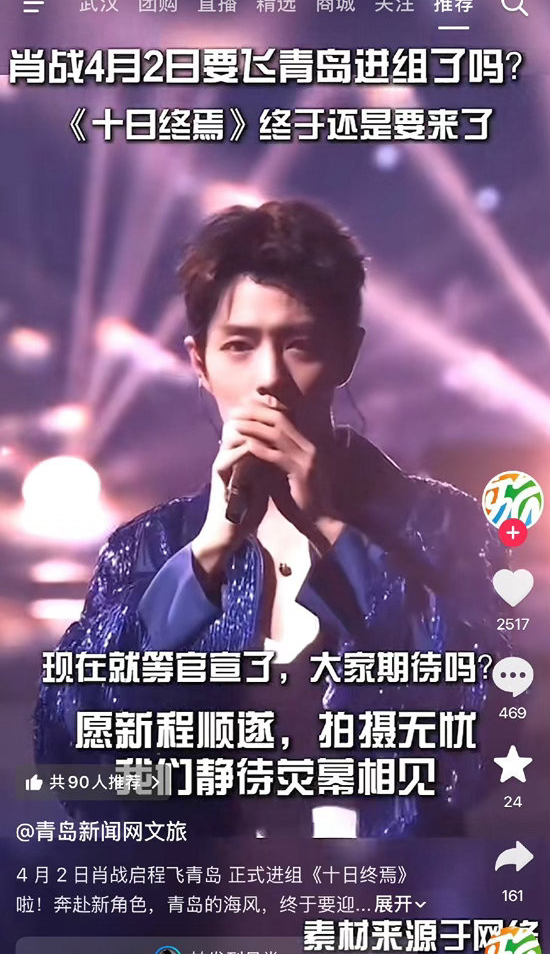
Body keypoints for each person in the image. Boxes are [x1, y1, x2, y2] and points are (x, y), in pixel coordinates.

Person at [33, 199, 505, 838]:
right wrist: (205, 557)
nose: (270, 379)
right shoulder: (150, 546)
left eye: (299, 344)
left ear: (347, 353)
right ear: (200, 363)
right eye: (239, 346)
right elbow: (74, 761)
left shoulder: (441, 524)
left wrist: (333, 535)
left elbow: (483, 743)